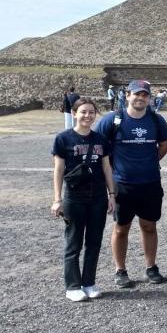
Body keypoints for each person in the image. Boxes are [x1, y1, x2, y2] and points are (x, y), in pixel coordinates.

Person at [96, 79, 167, 288]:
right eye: (136, 94)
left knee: (149, 226)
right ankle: (120, 269)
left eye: (144, 95)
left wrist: (152, 159)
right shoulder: (112, 120)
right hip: (123, 184)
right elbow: (99, 146)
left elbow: (165, 142)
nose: (140, 98)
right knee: (121, 228)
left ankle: (151, 266)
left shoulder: (156, 120)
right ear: (127, 95)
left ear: (149, 98)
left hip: (149, 183)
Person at [51, 98, 116, 301]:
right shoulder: (63, 139)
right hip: (74, 197)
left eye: (91, 112)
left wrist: (111, 194)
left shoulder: (101, 139)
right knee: (74, 242)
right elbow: (58, 170)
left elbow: (106, 168)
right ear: (74, 113)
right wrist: (57, 199)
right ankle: (72, 286)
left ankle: (89, 282)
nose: (87, 116)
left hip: (97, 196)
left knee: (94, 242)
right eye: (83, 112)